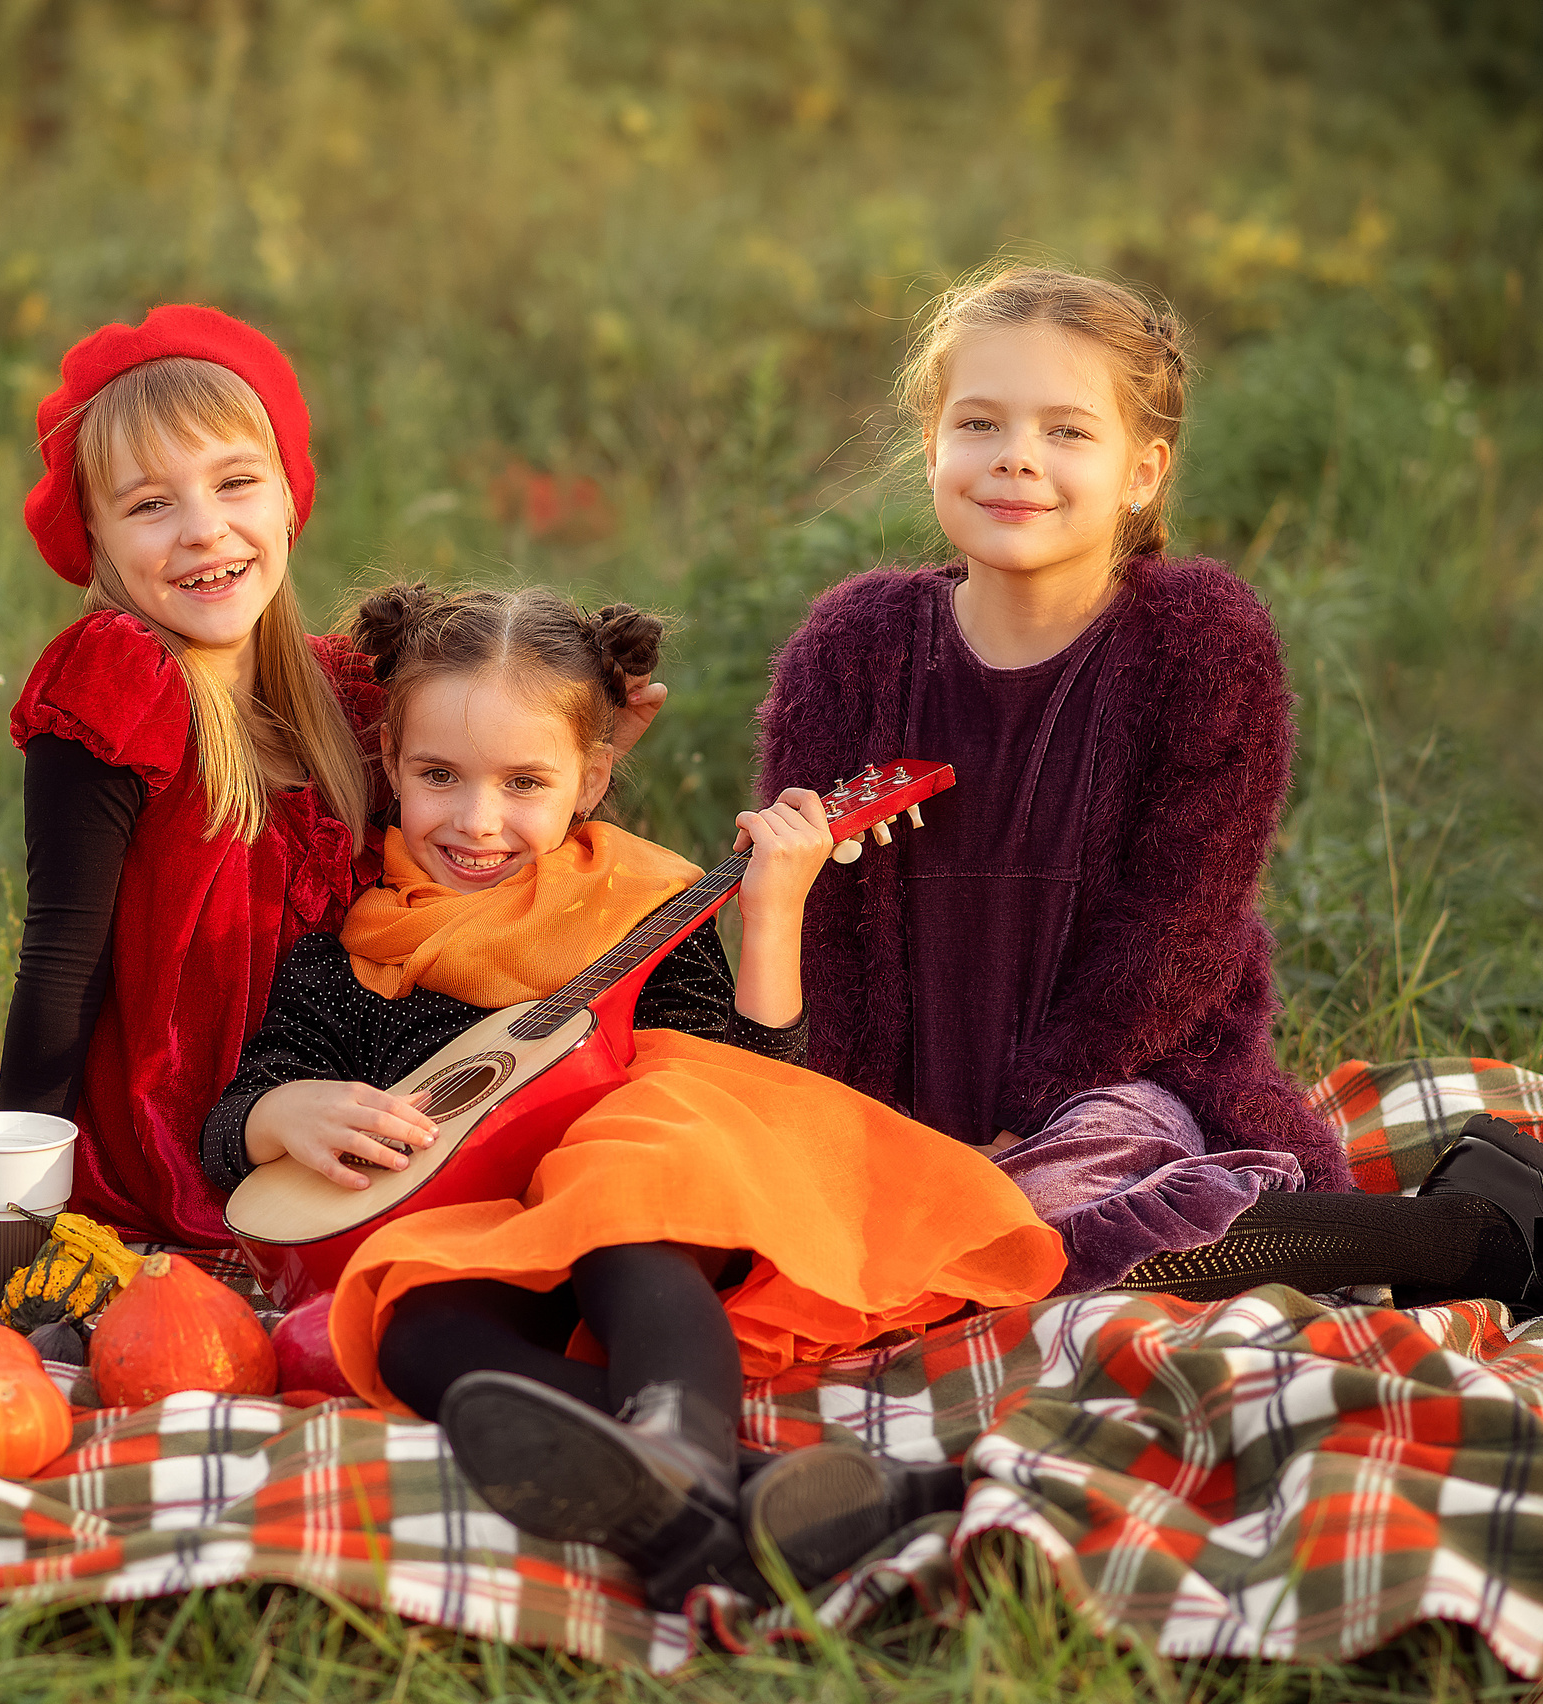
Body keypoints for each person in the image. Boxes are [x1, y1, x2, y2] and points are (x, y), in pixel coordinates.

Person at [757, 265, 1543, 1329]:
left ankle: (1478, 1237)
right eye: (979, 422)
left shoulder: (1195, 641)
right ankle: (1443, 1233)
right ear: (933, 444)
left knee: (1040, 1215)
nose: (1016, 455)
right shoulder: (852, 648)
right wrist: (864, 1136)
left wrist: (1024, 1128)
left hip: (1112, 1087)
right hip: (912, 1102)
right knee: (821, 1223)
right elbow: (826, 938)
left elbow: (1177, 930)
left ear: (1142, 473)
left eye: (1068, 431)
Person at [202, 584, 1065, 1610]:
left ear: (591, 777)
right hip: (482, 1236)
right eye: (439, 775)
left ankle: (673, 1446)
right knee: (410, 1327)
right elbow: (230, 1124)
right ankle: (728, 1495)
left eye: (524, 781)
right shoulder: (348, 954)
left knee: (633, 1166)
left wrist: (774, 911)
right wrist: (278, 1112)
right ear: (389, 764)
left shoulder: (636, 910)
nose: (477, 820)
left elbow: (738, 1088)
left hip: (641, 1228)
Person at [0, 305, 666, 1246]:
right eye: (150, 504)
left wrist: (585, 761)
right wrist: (12, 1191)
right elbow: (62, 956)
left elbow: (462, 835)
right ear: (98, 537)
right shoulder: (123, 679)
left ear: (287, 497)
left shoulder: (345, 692)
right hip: (188, 1136)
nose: (203, 530)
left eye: (236, 483)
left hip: (365, 1096)